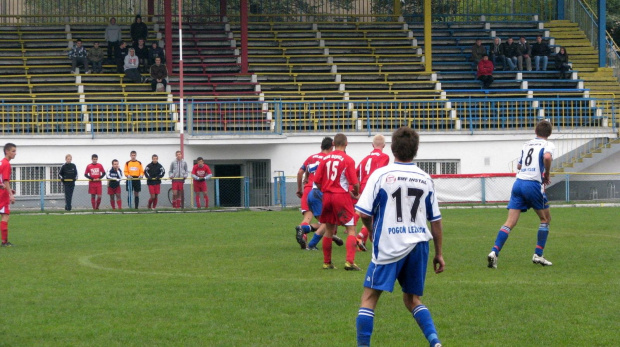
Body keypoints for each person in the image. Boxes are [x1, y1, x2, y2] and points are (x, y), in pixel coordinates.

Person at [354, 127, 445, 347]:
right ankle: (435, 343)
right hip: (418, 245)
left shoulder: (381, 175)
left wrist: (374, 231)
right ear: (416, 150)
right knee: (412, 299)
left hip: (390, 244)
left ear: (392, 148)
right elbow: (436, 220)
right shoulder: (425, 178)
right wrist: (439, 254)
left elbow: (364, 212)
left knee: (369, 298)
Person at [487, 120, 555, 269]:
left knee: (509, 222)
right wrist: (547, 174)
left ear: (535, 131)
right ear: (549, 133)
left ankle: (494, 252)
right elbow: (548, 157)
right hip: (533, 185)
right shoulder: (547, 145)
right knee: (545, 218)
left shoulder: (527, 144)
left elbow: (519, 165)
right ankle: (538, 254)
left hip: (518, 183)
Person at [314, 133, 361, 271]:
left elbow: (316, 181)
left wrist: (326, 190)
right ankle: (349, 262)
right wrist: (355, 192)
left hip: (327, 196)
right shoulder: (348, 160)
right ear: (346, 144)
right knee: (351, 228)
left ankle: (327, 262)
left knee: (329, 229)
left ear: (333, 144)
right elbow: (355, 182)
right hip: (341, 196)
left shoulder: (325, 159)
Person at [294, 137, 343, 249]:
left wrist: (300, 187)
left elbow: (301, 171)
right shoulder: (330, 159)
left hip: (308, 190)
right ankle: (310, 242)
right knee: (328, 220)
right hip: (320, 191)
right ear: (332, 146)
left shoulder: (311, 157)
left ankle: (304, 237)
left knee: (308, 218)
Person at [354, 134, 390, 251]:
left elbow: (356, 174)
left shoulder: (365, 159)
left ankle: (359, 239)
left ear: (372, 145)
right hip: (374, 187)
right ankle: (360, 237)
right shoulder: (385, 157)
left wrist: (357, 190)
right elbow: (381, 173)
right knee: (375, 214)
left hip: (363, 186)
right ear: (384, 145)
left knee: (364, 213)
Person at [0, 143, 17, 247]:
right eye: (13, 151)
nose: (15, 153)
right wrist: (10, 194)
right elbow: (6, 180)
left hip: (1, 191)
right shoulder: (6, 164)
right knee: (5, 216)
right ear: (7, 151)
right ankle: (4, 242)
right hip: (3, 195)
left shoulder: (1, 163)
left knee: (4, 216)